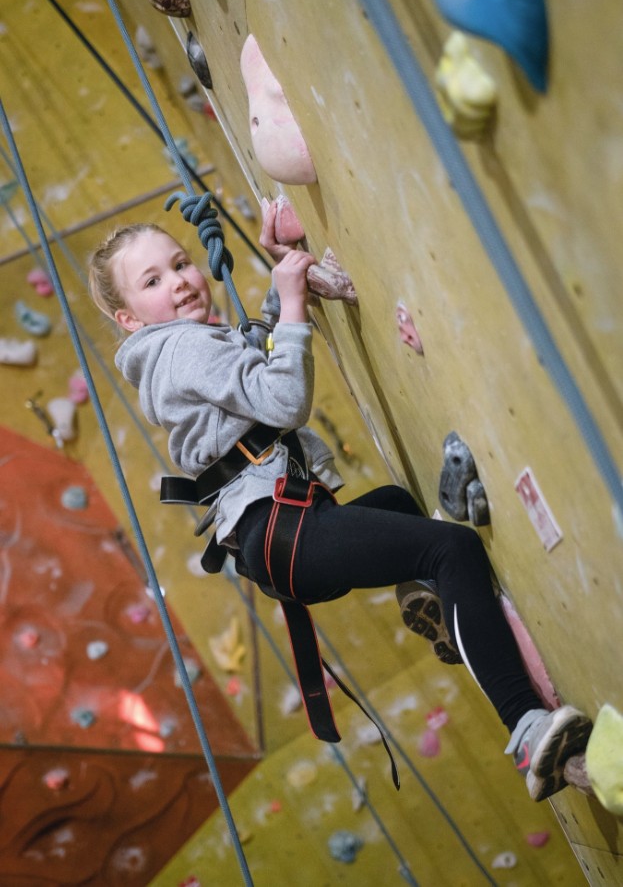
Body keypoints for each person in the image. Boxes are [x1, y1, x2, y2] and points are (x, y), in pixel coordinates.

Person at [88, 200, 592, 802]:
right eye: (152, 281)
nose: (179, 281)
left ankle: (427, 599)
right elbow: (280, 402)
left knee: (399, 505)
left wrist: (280, 299)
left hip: (275, 537)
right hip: (283, 528)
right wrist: (295, 303)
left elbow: (246, 369)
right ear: (129, 319)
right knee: (452, 549)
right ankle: (529, 728)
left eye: (180, 263)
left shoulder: (180, 351)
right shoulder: (186, 349)